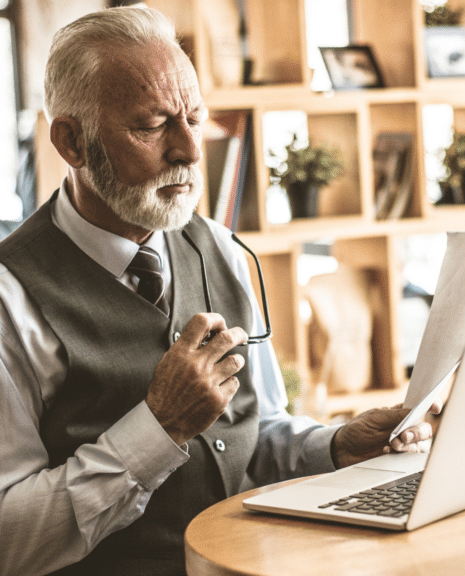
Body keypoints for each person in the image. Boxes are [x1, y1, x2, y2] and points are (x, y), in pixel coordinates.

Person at [0, 7, 437, 575]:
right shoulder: (11, 297)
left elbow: (258, 433)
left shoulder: (223, 250)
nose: (189, 150)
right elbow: (9, 538)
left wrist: (333, 446)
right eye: (153, 125)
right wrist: (160, 429)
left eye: (195, 118)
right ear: (71, 142)